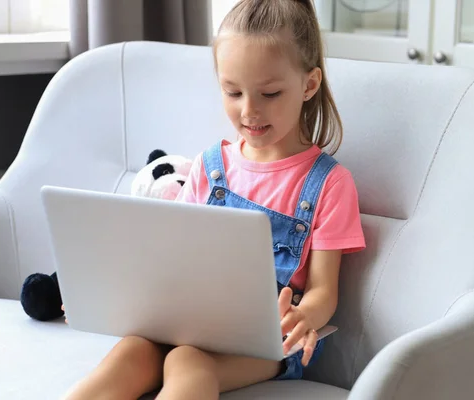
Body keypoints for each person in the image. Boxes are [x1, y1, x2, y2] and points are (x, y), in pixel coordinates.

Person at [63, 0, 365, 399]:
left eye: (270, 93)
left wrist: (301, 317)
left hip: (268, 341)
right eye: (233, 91)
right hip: (190, 320)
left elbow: (325, 291)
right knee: (131, 352)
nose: (249, 110)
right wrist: (105, 290)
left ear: (309, 85)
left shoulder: (330, 183)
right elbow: (170, 256)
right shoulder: (210, 166)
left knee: (187, 360)